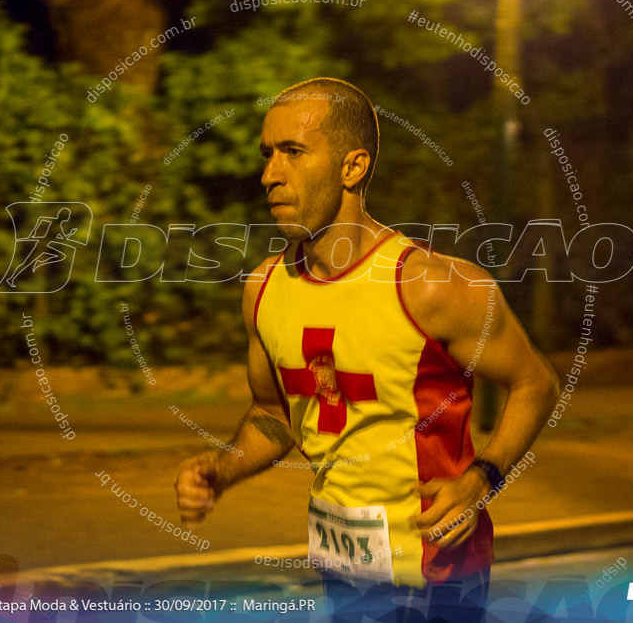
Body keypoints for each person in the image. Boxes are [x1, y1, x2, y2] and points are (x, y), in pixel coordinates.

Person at [174, 78, 558, 621]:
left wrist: (480, 481)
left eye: (293, 153)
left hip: (436, 571)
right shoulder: (264, 288)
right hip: (346, 571)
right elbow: (273, 414)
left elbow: (534, 383)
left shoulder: (429, 285)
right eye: (267, 155)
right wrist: (223, 467)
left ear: (353, 168)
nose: (269, 175)